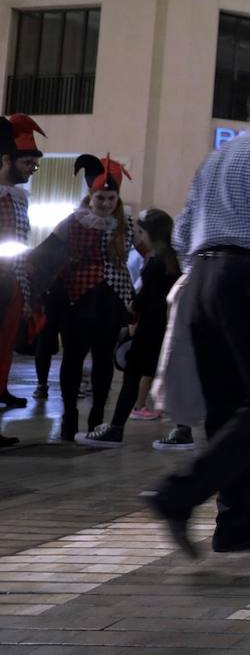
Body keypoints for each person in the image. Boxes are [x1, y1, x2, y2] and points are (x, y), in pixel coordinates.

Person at [144, 81, 250, 558]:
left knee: (228, 408)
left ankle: (237, 522)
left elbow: (181, 233)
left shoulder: (214, 161)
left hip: (203, 278)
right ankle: (179, 493)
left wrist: (207, 269)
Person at [25, 156, 136, 442]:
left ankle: (98, 418)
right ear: (91, 195)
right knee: (72, 360)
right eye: (101, 197)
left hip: (111, 302)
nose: (106, 203)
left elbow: (152, 252)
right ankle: (69, 417)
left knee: (103, 362)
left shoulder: (127, 225)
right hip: (76, 301)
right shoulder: (73, 222)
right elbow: (44, 252)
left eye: (112, 198)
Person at [76, 209, 181, 446]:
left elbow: (143, 299)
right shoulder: (174, 260)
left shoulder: (154, 262)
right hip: (169, 328)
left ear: (146, 232)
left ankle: (115, 429)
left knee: (131, 379)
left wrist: (131, 305)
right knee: (173, 379)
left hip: (150, 329)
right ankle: (183, 429)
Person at [0, 115, 45, 421]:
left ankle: (0, 388)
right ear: (7, 160)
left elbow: (20, 245)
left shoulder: (20, 199)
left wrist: (26, 293)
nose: (31, 170)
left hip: (13, 281)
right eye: (27, 163)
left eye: (34, 164)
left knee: (5, 345)